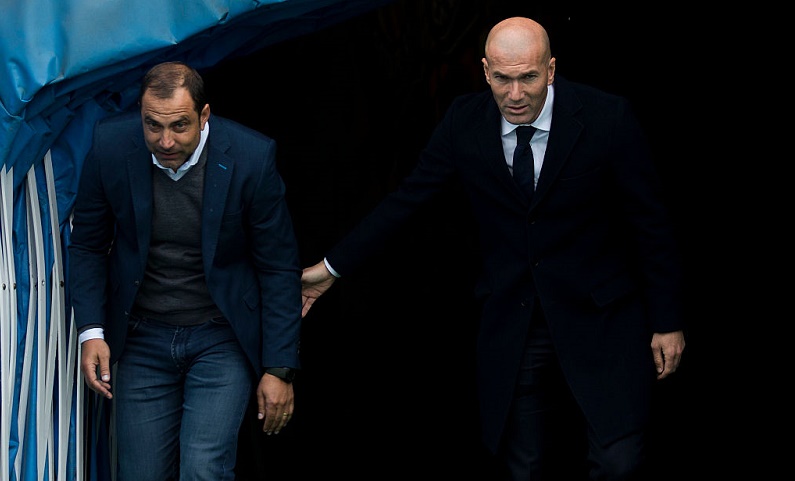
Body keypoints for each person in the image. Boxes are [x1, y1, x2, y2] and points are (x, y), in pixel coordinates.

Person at [300, 16, 685, 481]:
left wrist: (667, 321)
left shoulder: (608, 117)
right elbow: (408, 201)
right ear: (485, 71)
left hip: (601, 317)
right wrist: (332, 268)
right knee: (523, 467)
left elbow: (650, 224)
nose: (515, 94)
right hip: (516, 320)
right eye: (502, 78)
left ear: (551, 69)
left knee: (618, 464)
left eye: (529, 78)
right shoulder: (464, 122)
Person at [68, 61, 302, 481]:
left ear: (204, 114)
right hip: (142, 336)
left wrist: (278, 367)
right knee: (140, 473)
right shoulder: (110, 145)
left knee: (203, 468)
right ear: (140, 114)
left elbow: (278, 265)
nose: (165, 141)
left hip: (220, 336)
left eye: (179, 125)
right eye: (152, 125)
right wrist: (91, 331)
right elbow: (87, 244)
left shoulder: (251, 156)